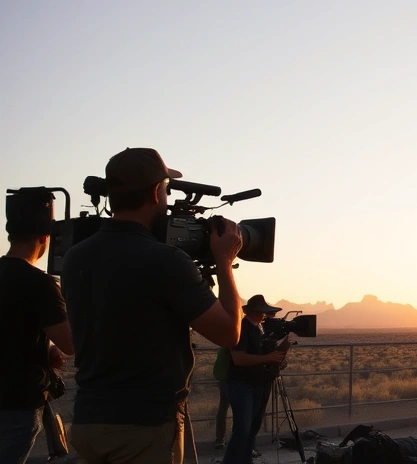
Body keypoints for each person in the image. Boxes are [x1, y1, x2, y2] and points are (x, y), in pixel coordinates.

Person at [61, 147, 244, 464]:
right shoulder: (165, 261)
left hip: (89, 422)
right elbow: (229, 333)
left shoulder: (77, 255)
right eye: (166, 189)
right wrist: (224, 263)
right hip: (143, 427)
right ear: (154, 192)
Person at [0, 188, 74, 464]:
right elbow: (70, 343)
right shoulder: (39, 283)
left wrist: (46, 346)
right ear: (45, 238)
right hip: (17, 400)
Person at [223, 295, 288, 464]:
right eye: (263, 312)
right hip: (241, 384)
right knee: (243, 429)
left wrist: (279, 354)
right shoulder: (241, 328)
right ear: (255, 311)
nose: (265, 316)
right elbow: (239, 359)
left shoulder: (261, 329)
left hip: (259, 383)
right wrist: (268, 358)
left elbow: (263, 354)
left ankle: (245, 461)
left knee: (252, 428)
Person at [213, 346, 231, 449]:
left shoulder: (225, 343)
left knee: (223, 409)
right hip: (231, 378)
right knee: (240, 410)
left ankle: (219, 439)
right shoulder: (235, 342)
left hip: (223, 378)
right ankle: (239, 440)